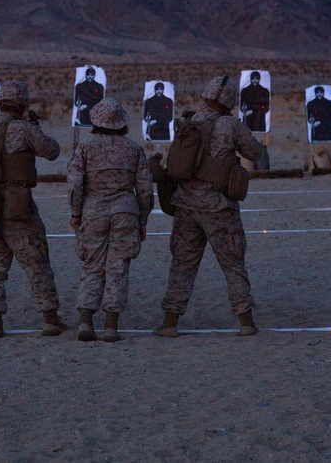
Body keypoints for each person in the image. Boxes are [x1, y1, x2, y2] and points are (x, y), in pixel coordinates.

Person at [155, 76, 263, 337]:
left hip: (186, 207)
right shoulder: (230, 125)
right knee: (233, 263)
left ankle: (170, 323)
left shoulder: (188, 123)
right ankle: (246, 321)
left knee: (182, 264)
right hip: (219, 208)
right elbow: (255, 153)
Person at [0, 80, 66, 338]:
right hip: (17, 205)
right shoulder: (22, 129)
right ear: (23, 104)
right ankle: (51, 319)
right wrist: (34, 128)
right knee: (37, 262)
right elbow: (51, 151)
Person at [68, 98, 153, 342]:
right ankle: (111, 326)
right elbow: (145, 189)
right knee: (118, 267)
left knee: (92, 265)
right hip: (125, 213)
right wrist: (143, 219)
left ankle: (85, 321)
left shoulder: (84, 148)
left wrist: (75, 213)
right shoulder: (133, 149)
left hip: (93, 212)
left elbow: (75, 185)